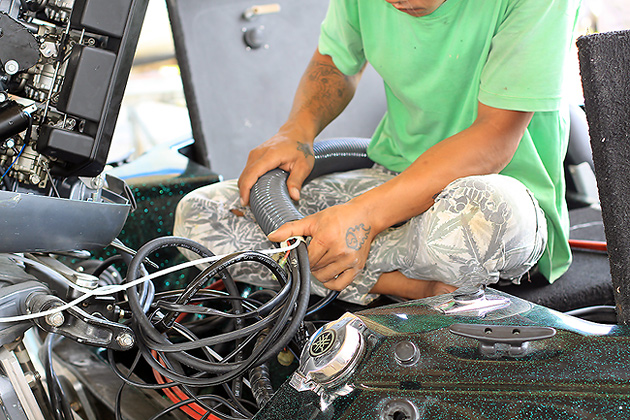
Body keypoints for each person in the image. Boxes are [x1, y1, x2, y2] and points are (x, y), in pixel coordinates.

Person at [174, 0, 582, 305]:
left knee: (481, 221)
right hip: (388, 176)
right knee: (199, 220)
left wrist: (364, 218)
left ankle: (348, 268)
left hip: (490, 192)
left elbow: (494, 137)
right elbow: (335, 61)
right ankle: (401, 283)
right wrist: (296, 131)